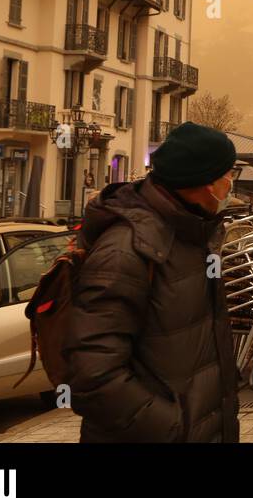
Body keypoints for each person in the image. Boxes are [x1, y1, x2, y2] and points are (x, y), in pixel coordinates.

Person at [65, 121, 240, 443]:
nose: (231, 183)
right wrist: (173, 429)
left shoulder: (190, 234)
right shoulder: (126, 251)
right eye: (228, 174)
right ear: (203, 182)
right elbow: (93, 376)